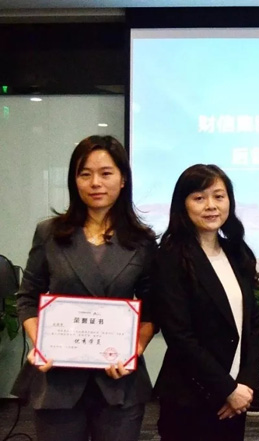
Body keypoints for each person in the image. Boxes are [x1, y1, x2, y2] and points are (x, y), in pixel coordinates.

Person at [12, 135, 157, 441]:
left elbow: (153, 306)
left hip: (118, 381)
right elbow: (28, 297)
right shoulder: (50, 233)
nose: (95, 183)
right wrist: (42, 342)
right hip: (57, 381)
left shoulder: (142, 240)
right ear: (74, 180)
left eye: (106, 173)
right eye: (85, 174)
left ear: (123, 179)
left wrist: (134, 350)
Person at [151, 164, 259, 441]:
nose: (211, 206)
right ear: (183, 205)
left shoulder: (236, 252)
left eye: (219, 196)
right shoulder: (170, 257)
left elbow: (253, 325)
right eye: (199, 198)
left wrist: (245, 384)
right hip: (190, 398)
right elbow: (180, 336)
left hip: (237, 396)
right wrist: (227, 389)